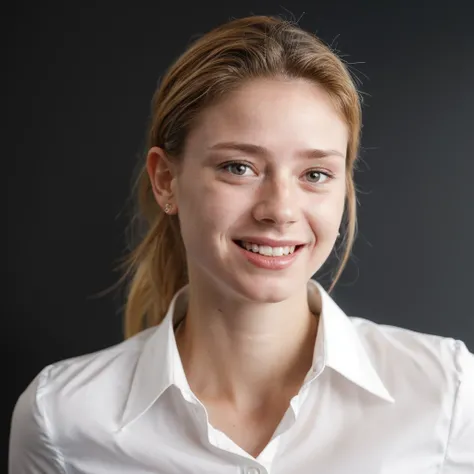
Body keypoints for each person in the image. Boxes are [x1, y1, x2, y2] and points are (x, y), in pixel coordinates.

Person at [9, 14, 474, 474]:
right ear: (166, 180)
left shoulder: (446, 394)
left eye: (315, 174)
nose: (280, 209)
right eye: (239, 167)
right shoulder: (61, 420)